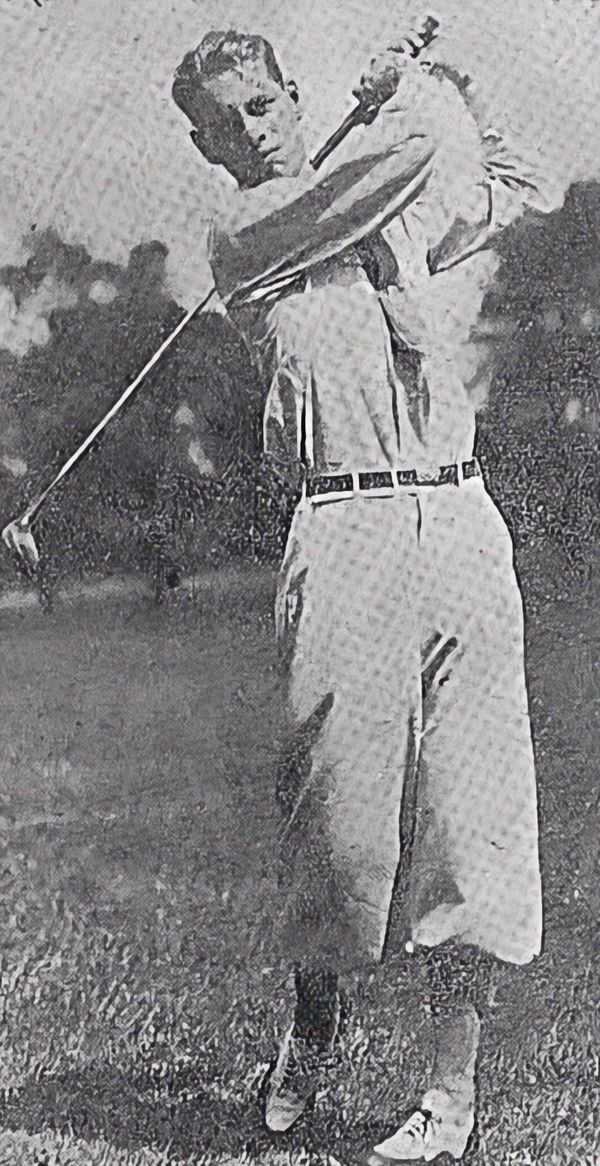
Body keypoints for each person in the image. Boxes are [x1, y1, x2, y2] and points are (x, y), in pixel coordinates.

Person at [169, 28, 554, 1165]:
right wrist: (399, 104)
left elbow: (516, 182)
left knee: (473, 816)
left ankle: (450, 1094)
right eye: (225, 121)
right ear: (205, 145)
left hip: (459, 515)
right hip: (344, 527)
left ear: (294, 97)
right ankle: (315, 1023)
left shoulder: (387, 212)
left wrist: (441, 86)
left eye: (263, 103)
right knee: (338, 829)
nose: (252, 129)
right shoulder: (248, 236)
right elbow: (400, 166)